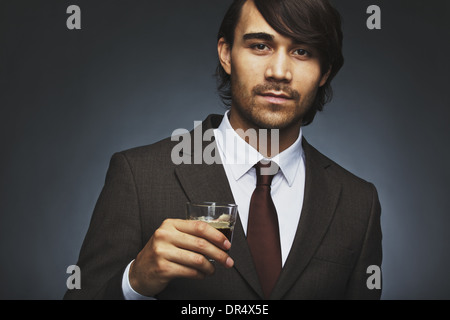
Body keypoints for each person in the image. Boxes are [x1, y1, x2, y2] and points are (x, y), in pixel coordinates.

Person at [64, 0, 382, 300]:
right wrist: (134, 282)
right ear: (226, 54)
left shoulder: (358, 204)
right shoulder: (138, 176)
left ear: (324, 72)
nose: (279, 72)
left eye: (302, 51)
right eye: (260, 46)